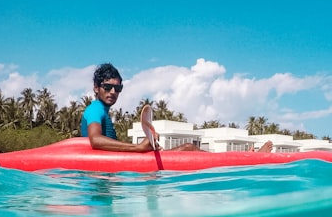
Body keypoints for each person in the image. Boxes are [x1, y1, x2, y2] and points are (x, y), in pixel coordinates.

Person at [81, 62, 272, 153]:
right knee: (189, 147)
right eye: (107, 87)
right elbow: (95, 140)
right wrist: (138, 148)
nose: (113, 91)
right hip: (103, 170)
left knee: (188, 147)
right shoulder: (94, 109)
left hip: (112, 168)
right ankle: (245, 159)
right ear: (96, 88)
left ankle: (243, 157)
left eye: (118, 88)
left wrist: (146, 147)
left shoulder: (101, 111)